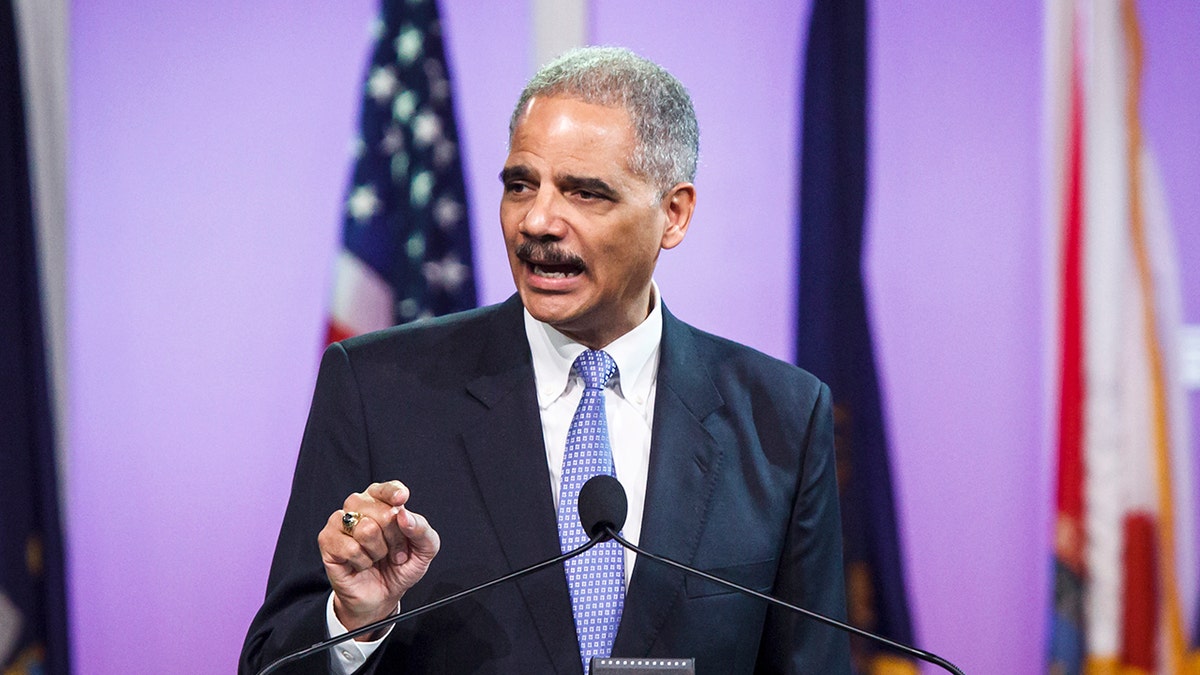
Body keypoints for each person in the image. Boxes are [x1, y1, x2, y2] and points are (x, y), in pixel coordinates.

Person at [240, 46, 850, 675]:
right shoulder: (378, 390)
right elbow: (271, 664)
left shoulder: (782, 416)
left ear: (673, 214)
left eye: (586, 193)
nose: (537, 221)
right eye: (520, 185)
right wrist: (354, 623)